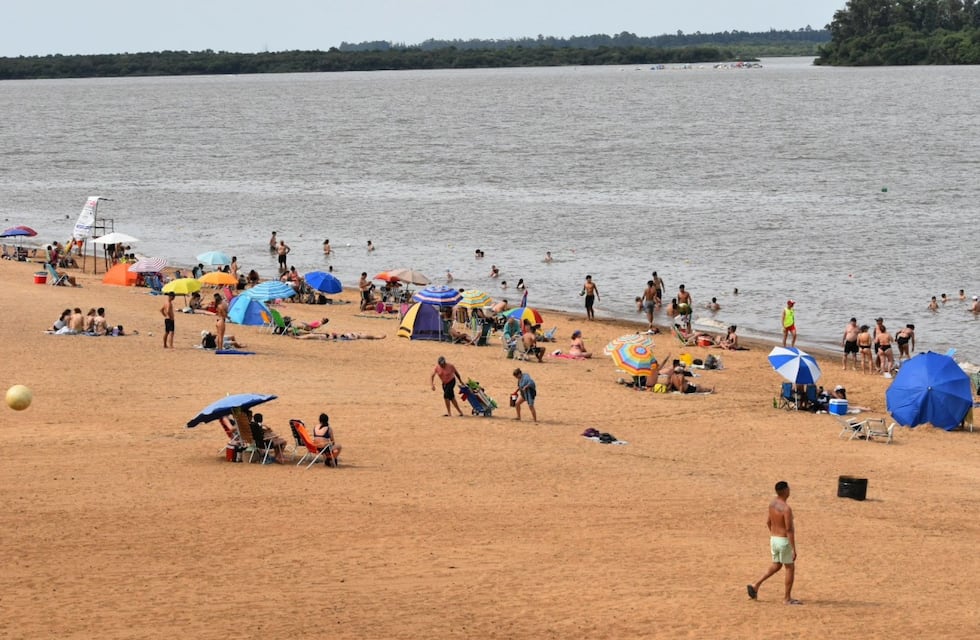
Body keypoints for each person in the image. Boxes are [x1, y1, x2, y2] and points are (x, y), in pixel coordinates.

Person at [747, 481, 801, 605]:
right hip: (783, 540)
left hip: (774, 538)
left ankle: (755, 585)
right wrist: (793, 548)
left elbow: (768, 522)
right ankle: (787, 598)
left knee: (776, 565)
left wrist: (774, 535)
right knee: (790, 568)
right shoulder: (786, 509)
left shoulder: (772, 504)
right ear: (785, 491)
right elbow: (789, 529)